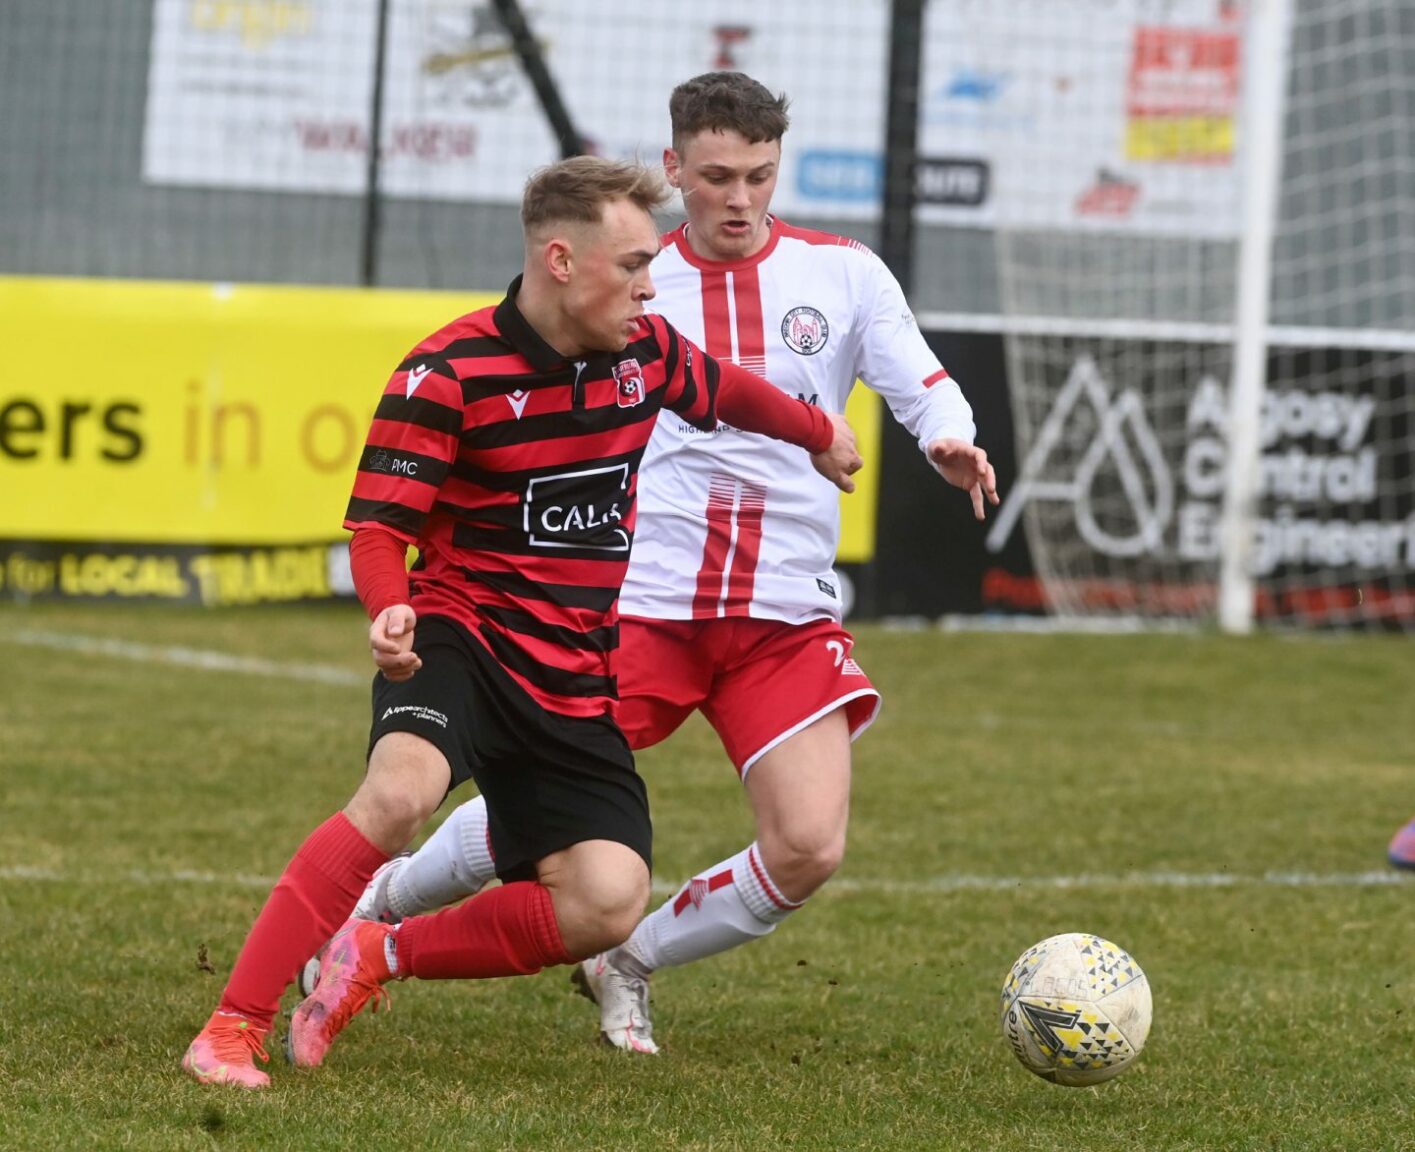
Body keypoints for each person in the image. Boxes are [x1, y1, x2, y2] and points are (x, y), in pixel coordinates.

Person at [302, 71, 997, 1056]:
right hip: (636, 606)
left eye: (758, 175)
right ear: (674, 170)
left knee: (808, 845)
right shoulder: (624, 280)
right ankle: (370, 912)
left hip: (779, 612)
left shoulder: (844, 274)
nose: (739, 198)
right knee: (529, 812)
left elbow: (916, 379)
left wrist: (947, 440)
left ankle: (626, 961)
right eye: (715, 176)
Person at [180, 153, 862, 1088]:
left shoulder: (646, 354)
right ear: (560, 261)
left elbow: (727, 392)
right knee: (399, 796)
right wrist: (389, 606)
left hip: (575, 668)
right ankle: (230, 1029)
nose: (648, 283)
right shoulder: (447, 372)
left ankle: (372, 956)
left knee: (605, 901)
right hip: (460, 639)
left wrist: (817, 432)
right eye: (630, 265)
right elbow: (380, 526)